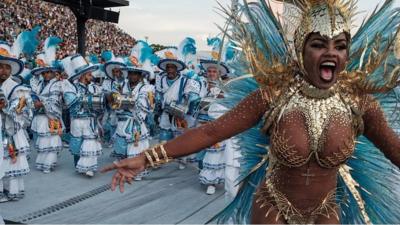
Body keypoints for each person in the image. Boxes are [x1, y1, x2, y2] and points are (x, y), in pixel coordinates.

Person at [102, 0, 400, 224]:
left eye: (340, 46)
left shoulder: (359, 105)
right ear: (301, 49)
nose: (331, 53)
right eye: (319, 44)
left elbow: (394, 149)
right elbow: (211, 131)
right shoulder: (273, 96)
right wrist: (147, 158)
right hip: (274, 208)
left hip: (326, 212)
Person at [155, 49, 201, 169]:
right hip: (166, 113)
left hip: (179, 114)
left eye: (172, 67)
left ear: (177, 69)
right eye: (168, 67)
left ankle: (182, 159)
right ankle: (160, 159)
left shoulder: (185, 80)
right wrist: (158, 109)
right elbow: (158, 95)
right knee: (164, 137)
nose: (170, 70)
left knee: (180, 138)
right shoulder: (160, 80)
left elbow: (193, 95)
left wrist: (187, 101)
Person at [0, 41, 32, 202]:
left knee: (11, 161)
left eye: (7, 67)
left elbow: (23, 111)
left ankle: (11, 191)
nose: (3, 70)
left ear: (11, 70)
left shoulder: (17, 87)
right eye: (1, 66)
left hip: (10, 132)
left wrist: (7, 107)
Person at [63, 54, 102, 177]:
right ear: (82, 75)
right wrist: (89, 100)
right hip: (76, 120)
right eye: (89, 74)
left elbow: (100, 102)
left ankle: (89, 167)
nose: (92, 76)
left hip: (90, 120)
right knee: (77, 143)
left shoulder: (94, 87)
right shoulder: (70, 86)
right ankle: (79, 165)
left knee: (90, 141)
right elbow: (70, 101)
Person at [30, 37, 65, 173]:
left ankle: (49, 163)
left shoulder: (57, 84)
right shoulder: (38, 84)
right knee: (43, 141)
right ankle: (42, 162)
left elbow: (56, 101)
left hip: (53, 117)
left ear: (53, 72)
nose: (46, 74)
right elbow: (32, 96)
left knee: (53, 140)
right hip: (40, 118)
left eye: (48, 72)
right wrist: (34, 101)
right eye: (44, 72)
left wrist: (41, 102)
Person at [197, 60, 230, 195]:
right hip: (201, 122)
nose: (211, 74)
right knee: (200, 152)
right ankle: (203, 175)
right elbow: (194, 101)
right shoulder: (200, 84)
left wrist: (218, 93)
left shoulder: (225, 87)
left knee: (215, 154)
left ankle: (212, 182)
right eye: (209, 71)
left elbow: (228, 103)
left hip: (217, 124)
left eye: (214, 71)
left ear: (219, 73)